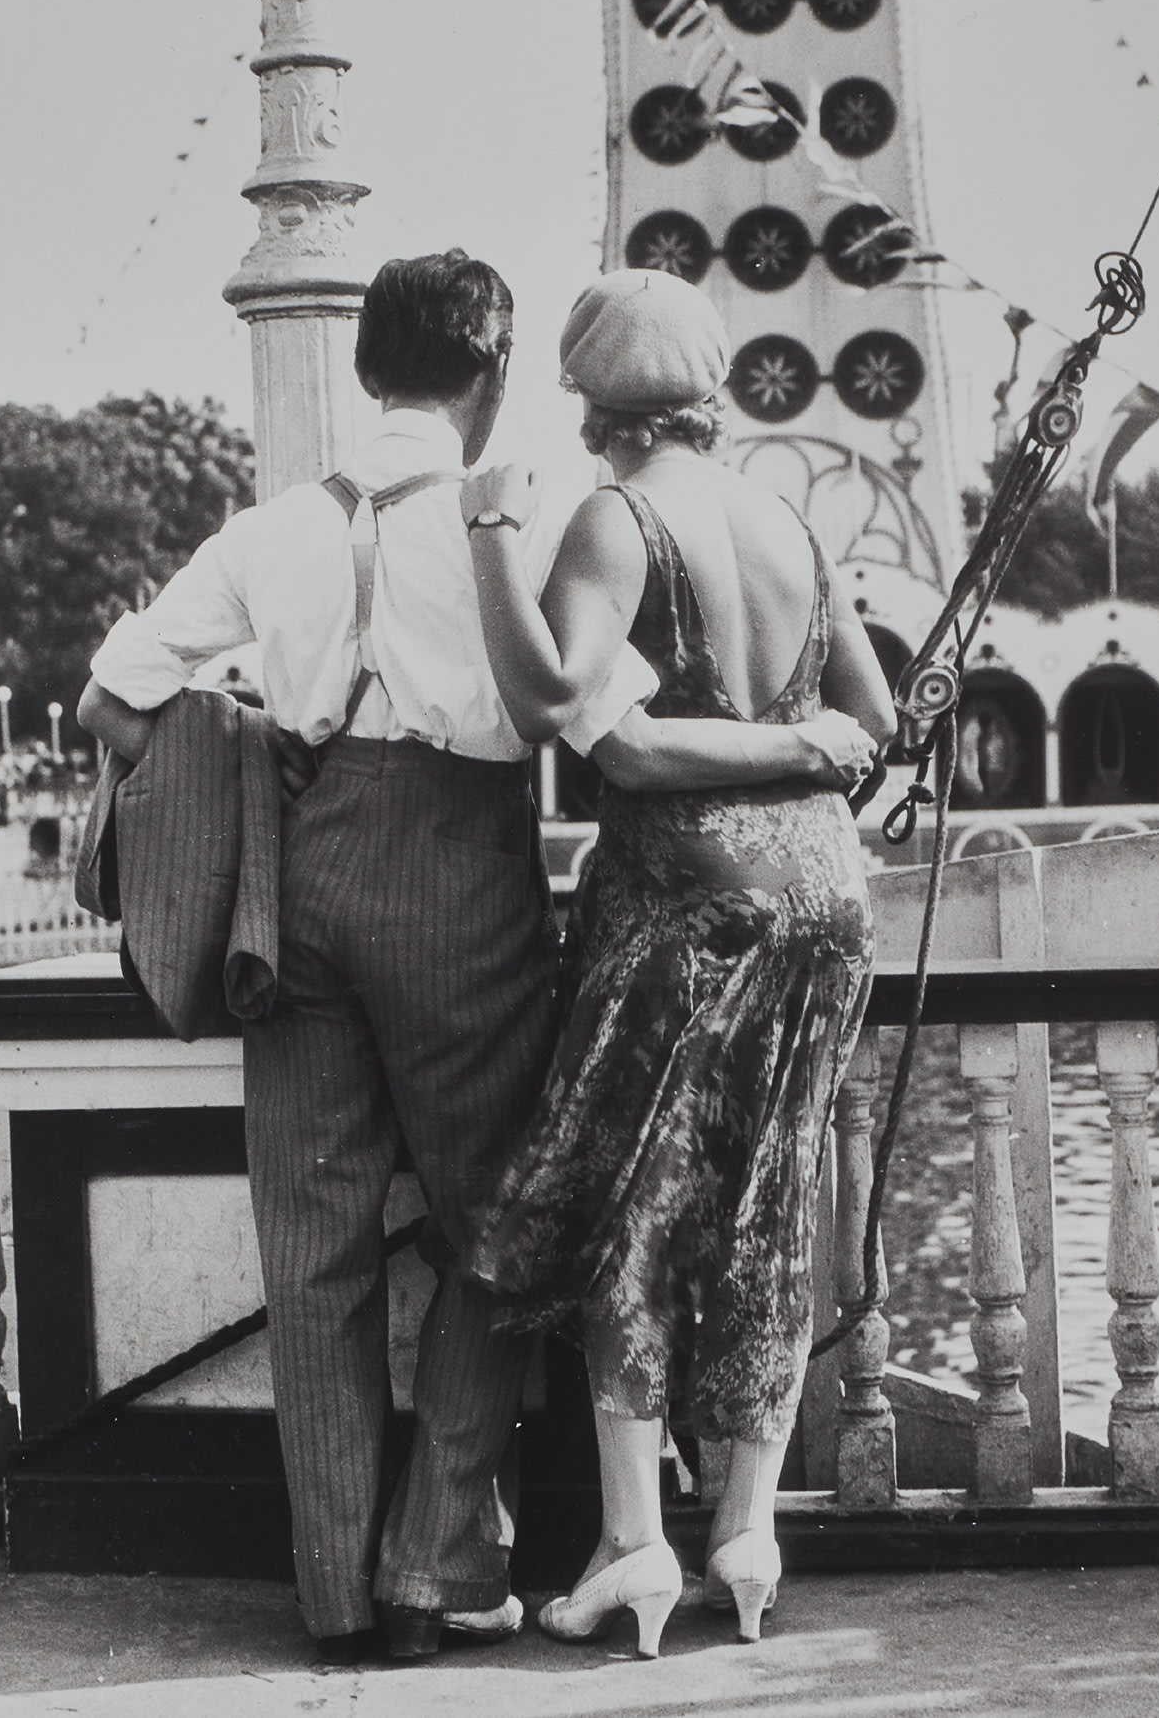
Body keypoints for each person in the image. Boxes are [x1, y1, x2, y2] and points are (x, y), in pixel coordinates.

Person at [77, 250, 874, 1665]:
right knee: (498, 1231)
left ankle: (333, 1594)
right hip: (461, 890)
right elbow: (597, 724)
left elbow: (114, 703)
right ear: (494, 370)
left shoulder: (271, 529)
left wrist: (250, 766)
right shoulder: (527, 522)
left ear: (365, 368)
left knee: (313, 1249)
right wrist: (807, 748)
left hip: (302, 882)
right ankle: (432, 1568)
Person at [459, 268, 897, 1659]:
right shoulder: (785, 518)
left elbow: (593, 727)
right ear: (709, 390)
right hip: (827, 897)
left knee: (637, 1211)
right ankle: (750, 1537)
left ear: (595, 405)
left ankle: (635, 1545)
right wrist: (801, 747)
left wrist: (486, 545)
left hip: (685, 902)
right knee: (768, 1201)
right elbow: (869, 721)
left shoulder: (616, 515)